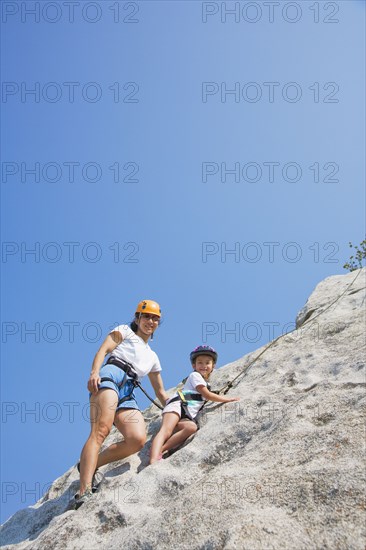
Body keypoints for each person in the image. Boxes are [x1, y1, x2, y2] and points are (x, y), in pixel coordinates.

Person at [75, 299, 168, 508]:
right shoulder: (124, 330)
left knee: (137, 439)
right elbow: (103, 350)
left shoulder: (153, 357)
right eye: (146, 316)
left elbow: (160, 392)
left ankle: (90, 464)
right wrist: (94, 372)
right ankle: (84, 491)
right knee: (101, 431)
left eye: (155, 319)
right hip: (111, 376)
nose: (150, 321)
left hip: (129, 391)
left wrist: (178, 406)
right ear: (137, 318)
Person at [149, 345, 240, 464]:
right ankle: (153, 459)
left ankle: (160, 450)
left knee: (191, 428)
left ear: (213, 366)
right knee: (166, 430)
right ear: (194, 366)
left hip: (186, 414)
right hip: (177, 406)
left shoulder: (205, 382)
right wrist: (226, 399)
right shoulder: (195, 376)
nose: (204, 366)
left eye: (207, 362)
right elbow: (206, 395)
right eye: (200, 363)